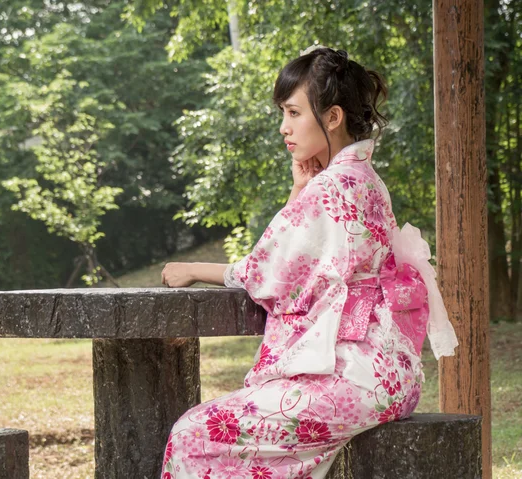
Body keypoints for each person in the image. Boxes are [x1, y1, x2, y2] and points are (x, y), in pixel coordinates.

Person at [160, 46, 458, 479]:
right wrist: (302, 191)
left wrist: (191, 269)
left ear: (332, 117)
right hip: (389, 374)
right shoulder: (366, 180)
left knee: (193, 433)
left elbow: (268, 272)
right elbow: (290, 257)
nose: (285, 127)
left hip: (354, 378)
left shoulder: (331, 188)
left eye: (294, 113)